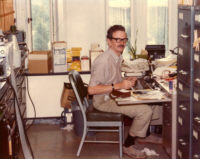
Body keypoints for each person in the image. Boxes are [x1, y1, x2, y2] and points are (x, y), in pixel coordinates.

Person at [88, 25, 158, 159]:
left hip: (114, 94)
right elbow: (91, 90)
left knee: (153, 100)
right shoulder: (103, 61)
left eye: (124, 40)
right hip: (103, 101)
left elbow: (112, 78)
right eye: (117, 40)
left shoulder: (117, 56)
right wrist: (119, 85)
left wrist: (126, 80)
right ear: (109, 41)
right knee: (145, 111)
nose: (122, 43)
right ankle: (127, 146)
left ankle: (144, 135)